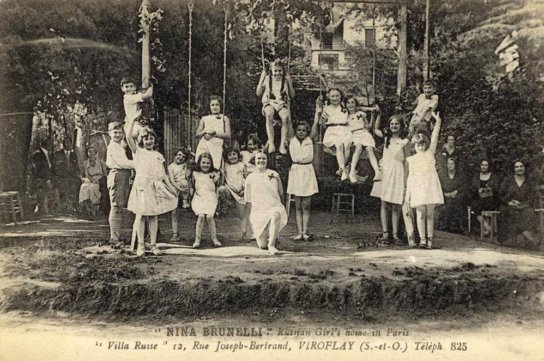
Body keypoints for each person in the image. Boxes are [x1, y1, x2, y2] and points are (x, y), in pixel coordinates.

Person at [125, 118, 178, 256]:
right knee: (141, 215)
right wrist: (132, 120)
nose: (149, 141)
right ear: (142, 140)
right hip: (142, 186)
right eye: (146, 139)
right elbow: (128, 136)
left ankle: (153, 245)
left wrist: (171, 188)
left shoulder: (158, 155)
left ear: (155, 140)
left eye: (151, 138)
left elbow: (163, 175)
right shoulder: (138, 152)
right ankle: (141, 245)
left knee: (153, 216)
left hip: (154, 187)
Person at [370, 114, 412, 245]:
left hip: (398, 173)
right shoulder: (387, 138)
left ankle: (395, 235)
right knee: (384, 203)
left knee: (396, 205)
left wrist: (406, 179)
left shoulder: (405, 142)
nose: (394, 126)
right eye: (392, 124)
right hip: (386, 172)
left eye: (397, 124)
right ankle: (385, 234)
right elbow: (375, 129)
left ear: (401, 126)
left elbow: (407, 162)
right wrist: (377, 114)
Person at [405, 112, 444, 249]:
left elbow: (434, 137)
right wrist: (408, 195)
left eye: (422, 145)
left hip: (430, 187)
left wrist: (438, 122)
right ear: (414, 146)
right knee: (420, 214)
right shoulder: (411, 160)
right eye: (417, 145)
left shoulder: (430, 153)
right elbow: (410, 178)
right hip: (418, 188)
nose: (420, 147)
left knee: (429, 215)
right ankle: (422, 240)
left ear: (426, 145)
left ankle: (430, 241)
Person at [245, 150, 288, 255]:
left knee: (276, 214)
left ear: (267, 160)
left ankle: (272, 244)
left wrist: (280, 206)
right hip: (259, 212)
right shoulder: (250, 178)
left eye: (264, 158)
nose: (261, 161)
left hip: (274, 206)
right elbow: (248, 201)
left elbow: (281, 193)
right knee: (262, 246)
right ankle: (268, 238)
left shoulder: (274, 174)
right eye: (258, 158)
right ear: (254, 161)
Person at [287, 118, 319, 241]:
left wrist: (317, 113)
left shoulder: (309, 140)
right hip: (296, 171)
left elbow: (315, 124)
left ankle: (305, 232)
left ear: (307, 132)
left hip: (307, 172)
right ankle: (299, 232)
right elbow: (288, 123)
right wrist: (288, 106)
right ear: (295, 131)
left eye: (304, 130)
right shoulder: (292, 140)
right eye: (299, 130)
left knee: (306, 205)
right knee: (298, 206)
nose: (301, 132)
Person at [256, 59, 295, 154]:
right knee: (269, 114)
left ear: (283, 71)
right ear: (271, 71)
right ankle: (271, 142)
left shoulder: (285, 81)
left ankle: (282, 145)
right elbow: (258, 93)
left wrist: (290, 83)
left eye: (280, 71)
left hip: (281, 103)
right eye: (275, 71)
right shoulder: (267, 79)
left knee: (285, 117)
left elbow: (292, 95)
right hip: (269, 102)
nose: (277, 73)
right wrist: (261, 78)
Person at [105, 121, 134, 246]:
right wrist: (138, 163)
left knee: (120, 205)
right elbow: (123, 162)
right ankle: (114, 237)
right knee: (116, 206)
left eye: (119, 132)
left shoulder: (119, 145)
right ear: (109, 133)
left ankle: (117, 235)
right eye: (115, 132)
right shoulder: (113, 146)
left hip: (123, 175)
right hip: (117, 174)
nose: (117, 135)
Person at [498, 160, 538, 247]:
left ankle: (526, 237)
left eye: (521, 166)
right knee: (511, 213)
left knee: (529, 212)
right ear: (514, 169)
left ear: (524, 168)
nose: (519, 168)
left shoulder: (529, 182)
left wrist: (521, 204)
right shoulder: (508, 180)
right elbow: (500, 196)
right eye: (517, 167)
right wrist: (509, 203)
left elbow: (531, 197)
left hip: (523, 206)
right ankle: (524, 236)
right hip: (507, 206)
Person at [219, 145, 252, 241]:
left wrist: (245, 189)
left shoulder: (242, 165)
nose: (232, 156)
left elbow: (247, 178)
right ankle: (226, 205)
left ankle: (245, 233)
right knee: (221, 189)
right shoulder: (225, 165)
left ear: (238, 155)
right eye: (230, 155)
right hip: (230, 190)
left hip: (241, 191)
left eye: (234, 154)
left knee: (243, 214)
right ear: (226, 156)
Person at [317, 88, 352, 181]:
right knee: (339, 145)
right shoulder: (326, 108)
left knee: (347, 144)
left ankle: (341, 170)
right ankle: (344, 171)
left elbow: (358, 108)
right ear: (329, 97)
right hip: (332, 131)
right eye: (332, 96)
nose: (335, 98)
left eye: (337, 96)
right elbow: (323, 125)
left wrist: (372, 108)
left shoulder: (345, 107)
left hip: (344, 130)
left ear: (341, 97)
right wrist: (321, 118)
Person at [345, 95, 381, 183]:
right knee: (359, 147)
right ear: (345, 104)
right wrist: (370, 109)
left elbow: (368, 126)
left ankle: (377, 172)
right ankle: (352, 172)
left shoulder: (361, 114)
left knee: (369, 149)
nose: (351, 105)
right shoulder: (345, 115)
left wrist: (372, 116)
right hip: (354, 135)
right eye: (348, 103)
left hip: (364, 133)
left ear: (355, 103)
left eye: (352, 102)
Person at [190, 152, 221, 248]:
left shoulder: (214, 174)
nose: (205, 165)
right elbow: (192, 187)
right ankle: (197, 239)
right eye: (203, 162)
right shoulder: (195, 173)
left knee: (209, 217)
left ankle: (214, 238)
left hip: (211, 197)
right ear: (199, 163)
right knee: (201, 216)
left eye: (208, 163)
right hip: (199, 197)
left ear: (211, 164)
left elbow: (217, 187)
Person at [195, 95, 231, 169]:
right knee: (201, 163)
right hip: (204, 144)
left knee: (215, 166)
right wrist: (205, 131)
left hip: (216, 145)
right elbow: (197, 134)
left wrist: (214, 133)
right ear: (209, 106)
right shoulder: (204, 118)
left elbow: (228, 135)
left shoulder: (224, 118)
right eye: (212, 105)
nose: (215, 107)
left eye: (217, 105)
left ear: (221, 106)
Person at [168, 147, 192, 243]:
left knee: (185, 183)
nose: (180, 157)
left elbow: (187, 176)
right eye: (179, 155)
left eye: (183, 156)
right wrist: (178, 188)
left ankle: (185, 201)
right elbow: (172, 180)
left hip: (184, 186)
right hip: (175, 186)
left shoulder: (185, 165)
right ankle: (175, 234)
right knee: (174, 212)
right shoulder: (170, 167)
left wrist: (188, 167)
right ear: (175, 155)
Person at [470, 159, 499, 235]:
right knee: (474, 207)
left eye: (486, 165)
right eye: (482, 165)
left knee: (483, 205)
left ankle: (486, 229)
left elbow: (496, 189)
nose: (484, 167)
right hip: (479, 198)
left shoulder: (493, 176)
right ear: (480, 166)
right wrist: (478, 190)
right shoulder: (476, 176)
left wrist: (490, 189)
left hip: (490, 199)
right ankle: (487, 227)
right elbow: (472, 189)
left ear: (489, 167)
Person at [120, 77, 153, 141]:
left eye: (131, 86)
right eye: (126, 87)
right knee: (143, 140)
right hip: (133, 125)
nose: (129, 88)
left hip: (137, 124)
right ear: (122, 89)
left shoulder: (134, 96)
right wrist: (152, 86)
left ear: (135, 88)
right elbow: (148, 95)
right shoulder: (128, 98)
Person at [53, 136, 80, 211]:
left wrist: (76, 174)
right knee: (63, 185)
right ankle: (64, 206)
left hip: (71, 176)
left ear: (71, 144)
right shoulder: (58, 153)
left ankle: (73, 205)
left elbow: (76, 166)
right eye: (65, 142)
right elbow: (56, 166)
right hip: (61, 176)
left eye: (69, 142)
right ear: (63, 144)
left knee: (76, 184)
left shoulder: (73, 154)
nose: (67, 144)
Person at [438, 157, 465, 233]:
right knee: (448, 202)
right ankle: (446, 225)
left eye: (452, 164)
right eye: (449, 164)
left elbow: (463, 186)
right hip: (445, 196)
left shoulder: (459, 175)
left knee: (458, 200)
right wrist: (445, 194)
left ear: (455, 165)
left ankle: (457, 225)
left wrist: (456, 191)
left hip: (456, 195)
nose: (450, 165)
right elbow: (438, 187)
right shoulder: (442, 176)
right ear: (446, 165)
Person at [30, 138, 56, 215]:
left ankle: (45, 209)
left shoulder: (48, 153)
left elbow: (50, 166)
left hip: (48, 177)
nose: (51, 145)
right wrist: (45, 178)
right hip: (42, 178)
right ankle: (41, 209)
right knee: (45, 192)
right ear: (45, 144)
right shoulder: (38, 153)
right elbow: (36, 168)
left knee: (51, 192)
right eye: (49, 143)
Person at [79, 146, 108, 217]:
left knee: (93, 188)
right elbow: (84, 174)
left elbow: (105, 174)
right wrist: (88, 179)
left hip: (99, 179)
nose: (91, 153)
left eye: (93, 152)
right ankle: (88, 209)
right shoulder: (85, 163)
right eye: (89, 152)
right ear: (87, 153)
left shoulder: (101, 162)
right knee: (84, 187)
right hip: (89, 179)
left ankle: (94, 210)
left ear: (95, 153)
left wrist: (100, 180)